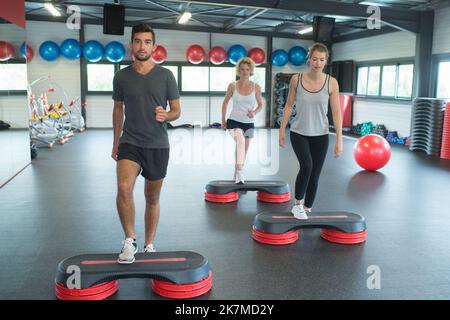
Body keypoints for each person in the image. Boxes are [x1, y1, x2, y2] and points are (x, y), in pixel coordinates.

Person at [112, 23, 181, 264]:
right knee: (123, 187)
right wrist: (115, 143)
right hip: (130, 142)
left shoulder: (166, 75)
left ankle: (149, 244)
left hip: (158, 144)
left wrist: (167, 115)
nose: (143, 46)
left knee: (152, 198)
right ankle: (129, 240)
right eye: (138, 41)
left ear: (154, 45)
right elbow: (118, 110)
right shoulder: (121, 76)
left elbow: (177, 111)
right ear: (132, 44)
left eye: (147, 42)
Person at [279, 43, 343, 220]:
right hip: (299, 132)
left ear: (325, 61)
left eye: (322, 60)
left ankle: (307, 208)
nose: (318, 63)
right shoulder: (296, 80)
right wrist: (282, 130)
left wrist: (339, 139)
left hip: (321, 135)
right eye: (315, 59)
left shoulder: (332, 82)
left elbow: (336, 112)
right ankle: (297, 204)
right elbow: (289, 104)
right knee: (306, 166)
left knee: (315, 174)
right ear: (309, 59)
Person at [221, 57, 264, 184]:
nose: (245, 72)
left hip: (249, 123)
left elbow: (261, 104)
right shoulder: (232, 85)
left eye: (247, 69)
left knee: (243, 150)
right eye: (242, 69)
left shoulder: (256, 87)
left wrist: (254, 112)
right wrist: (223, 121)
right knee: (239, 140)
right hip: (234, 121)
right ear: (238, 70)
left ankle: (237, 173)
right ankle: (240, 171)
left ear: (251, 71)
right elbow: (225, 103)